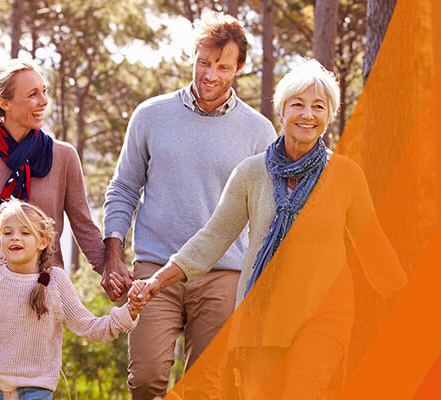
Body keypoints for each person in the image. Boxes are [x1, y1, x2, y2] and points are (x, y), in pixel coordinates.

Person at [128, 60, 406, 398]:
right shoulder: (251, 173)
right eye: (298, 104)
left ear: (329, 116)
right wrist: (157, 280)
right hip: (262, 322)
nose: (307, 114)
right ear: (281, 112)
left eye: (318, 106)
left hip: (323, 317)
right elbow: (212, 239)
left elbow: (373, 246)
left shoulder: (345, 175)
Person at [100, 11, 278, 400]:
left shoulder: (259, 131)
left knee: (205, 388)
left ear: (240, 68)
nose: (210, 75)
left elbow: (270, 213)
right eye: (203, 62)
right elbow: (124, 188)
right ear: (193, 57)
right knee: (146, 379)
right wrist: (112, 254)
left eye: (222, 66)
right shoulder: (150, 115)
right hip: (153, 271)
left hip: (223, 274)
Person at [0, 59, 117, 392]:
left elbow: (83, 225)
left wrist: (108, 271)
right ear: (4, 103)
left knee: (35, 392)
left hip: (43, 296)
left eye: (44, 92)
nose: (43, 102)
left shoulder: (63, 157)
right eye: (33, 94)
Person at [0, 199, 146, 400]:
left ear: (43, 241)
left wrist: (129, 312)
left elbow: (90, 327)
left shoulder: (55, 282)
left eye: (25, 233)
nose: (15, 237)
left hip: (35, 391)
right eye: (8, 232)